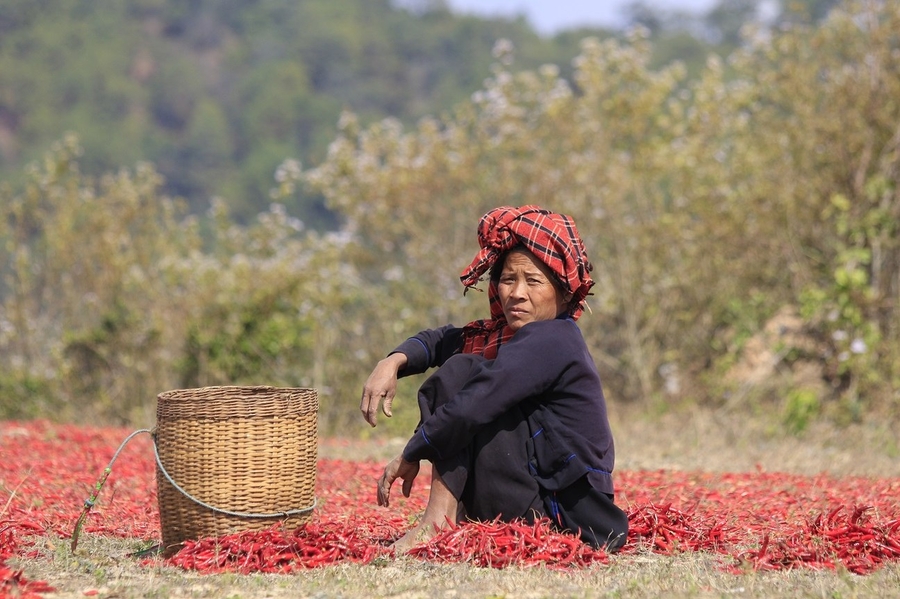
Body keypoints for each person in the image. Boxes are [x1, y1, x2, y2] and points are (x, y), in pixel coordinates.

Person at [360, 205, 628, 554]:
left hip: (566, 517)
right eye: (507, 279)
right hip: (538, 498)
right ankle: (445, 519)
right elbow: (441, 341)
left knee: (462, 375)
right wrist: (392, 361)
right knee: (465, 366)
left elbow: (474, 402)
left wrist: (413, 452)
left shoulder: (554, 339)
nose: (516, 293)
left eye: (533, 281)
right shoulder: (504, 337)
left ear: (563, 292)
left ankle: (437, 521)